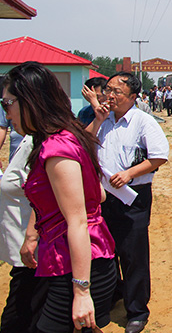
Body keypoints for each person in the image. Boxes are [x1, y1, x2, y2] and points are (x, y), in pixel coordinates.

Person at [2, 61, 116, 333]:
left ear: (30, 101)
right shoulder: (68, 136)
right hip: (74, 261)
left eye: (7, 104)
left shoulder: (56, 148)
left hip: (78, 268)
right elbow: (96, 196)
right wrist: (34, 234)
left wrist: (81, 291)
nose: (6, 114)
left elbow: (77, 220)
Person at [88, 72, 169, 333]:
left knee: (133, 254)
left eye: (116, 92)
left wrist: (129, 174)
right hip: (103, 197)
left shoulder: (143, 122)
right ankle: (114, 294)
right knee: (105, 251)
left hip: (133, 197)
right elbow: (84, 145)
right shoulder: (104, 119)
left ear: (133, 97)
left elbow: (158, 157)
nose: (109, 96)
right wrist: (98, 119)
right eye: (108, 90)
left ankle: (136, 311)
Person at [0, 133, 49, 333]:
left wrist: (31, 236)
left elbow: (46, 192)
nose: (7, 114)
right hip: (24, 249)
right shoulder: (29, 138)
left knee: (18, 319)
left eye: (9, 103)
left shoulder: (41, 142)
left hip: (33, 252)